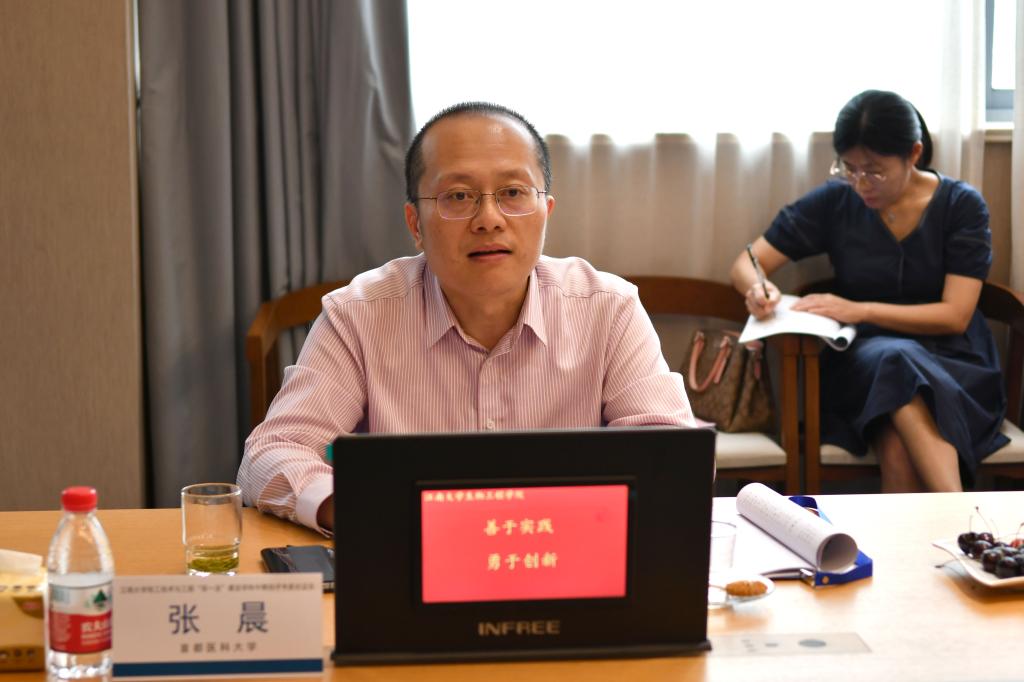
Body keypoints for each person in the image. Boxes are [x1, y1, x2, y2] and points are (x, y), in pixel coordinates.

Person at [239, 102, 697, 532]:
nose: (489, 219)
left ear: (546, 212)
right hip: (411, 560)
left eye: (513, 192)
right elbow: (274, 452)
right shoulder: (359, 315)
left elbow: (673, 457)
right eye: (458, 196)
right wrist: (371, 511)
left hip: (559, 555)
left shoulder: (608, 308)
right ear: (415, 225)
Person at [730, 89, 1007, 493]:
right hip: (863, 364)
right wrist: (760, 289)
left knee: (896, 444)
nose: (861, 183)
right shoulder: (837, 201)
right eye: (850, 168)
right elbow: (746, 262)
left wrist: (859, 311)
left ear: (913, 154)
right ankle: (961, 516)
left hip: (955, 362)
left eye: (874, 171)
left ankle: (945, 521)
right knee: (894, 362)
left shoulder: (961, 205)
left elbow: (955, 315)